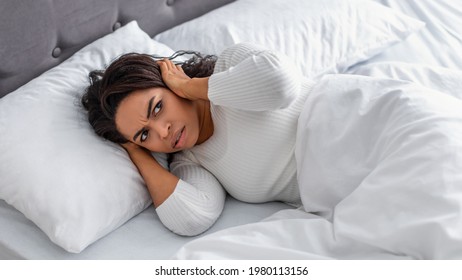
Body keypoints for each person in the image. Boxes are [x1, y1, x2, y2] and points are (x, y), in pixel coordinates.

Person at [81, 43, 314, 235]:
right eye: (145, 134)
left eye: (158, 108)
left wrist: (188, 86)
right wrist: (136, 152)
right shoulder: (192, 161)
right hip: (339, 197)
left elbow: (281, 83)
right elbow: (191, 218)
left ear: (168, 81)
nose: (163, 132)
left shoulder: (230, 65)